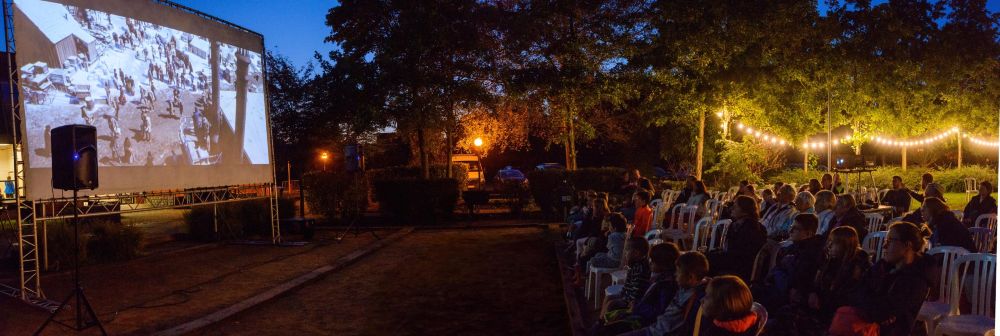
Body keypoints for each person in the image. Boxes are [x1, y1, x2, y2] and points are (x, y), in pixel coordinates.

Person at [833, 222, 933, 336]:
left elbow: (881, 312)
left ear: (907, 245)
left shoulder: (917, 279)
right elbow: (855, 292)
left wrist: (867, 303)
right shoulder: (883, 266)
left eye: (889, 241)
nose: (884, 246)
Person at [600, 242, 681, 335]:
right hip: (639, 313)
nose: (649, 263)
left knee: (610, 326)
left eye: (652, 261)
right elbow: (646, 297)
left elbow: (659, 312)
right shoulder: (659, 279)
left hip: (644, 322)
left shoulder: (667, 286)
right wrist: (637, 304)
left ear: (663, 265)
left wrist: (636, 307)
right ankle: (599, 325)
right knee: (609, 321)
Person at [624, 252, 710, 336]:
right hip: (656, 328)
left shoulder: (696, 299)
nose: (675, 274)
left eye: (678, 272)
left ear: (691, 277)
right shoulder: (684, 287)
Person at [756, 214, 825, 310]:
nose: (790, 231)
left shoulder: (812, 254)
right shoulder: (791, 248)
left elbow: (798, 280)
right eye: (791, 227)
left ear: (808, 233)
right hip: (776, 288)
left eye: (796, 229)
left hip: (785, 298)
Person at [808, 226, 871, 321]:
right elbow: (817, 280)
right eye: (829, 241)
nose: (829, 246)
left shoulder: (857, 263)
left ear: (846, 245)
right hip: (824, 305)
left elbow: (849, 293)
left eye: (834, 243)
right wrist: (814, 293)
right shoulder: (831, 259)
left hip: (842, 312)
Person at [708, 196, 766, 282]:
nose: (732, 209)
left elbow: (738, 254)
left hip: (740, 267)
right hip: (733, 260)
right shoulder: (737, 225)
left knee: (702, 262)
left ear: (744, 210)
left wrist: (714, 256)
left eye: (735, 207)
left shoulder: (751, 229)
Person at [697, 276, 763, 336]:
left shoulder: (715, 332)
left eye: (707, 296)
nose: (702, 300)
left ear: (723, 305)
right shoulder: (753, 326)